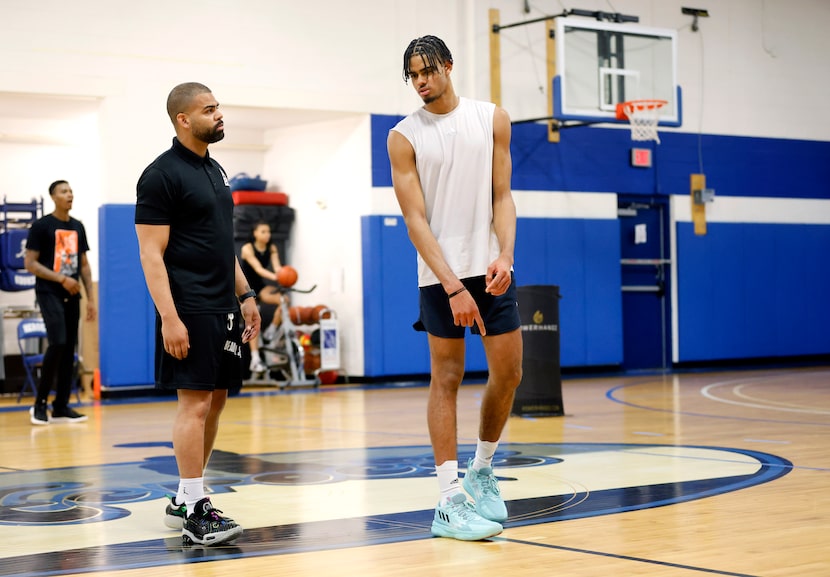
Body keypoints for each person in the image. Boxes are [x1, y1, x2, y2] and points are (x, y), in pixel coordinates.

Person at [387, 36, 523, 541]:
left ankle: (482, 470)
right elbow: (415, 220)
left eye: (427, 71)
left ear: (447, 66)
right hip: (440, 273)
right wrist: (451, 287)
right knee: (447, 376)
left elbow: (503, 196)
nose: (421, 81)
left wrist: (505, 254)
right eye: (412, 75)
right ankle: (447, 500)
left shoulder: (492, 118)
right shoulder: (403, 136)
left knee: (509, 374)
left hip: (491, 266)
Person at [135, 82, 260, 547]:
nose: (219, 115)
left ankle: (186, 497)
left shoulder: (216, 170)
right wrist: (169, 317)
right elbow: (151, 254)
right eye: (210, 110)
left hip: (223, 306)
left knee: (218, 401)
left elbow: (220, 243)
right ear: (183, 119)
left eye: (218, 107)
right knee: (196, 404)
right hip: (187, 307)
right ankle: (194, 507)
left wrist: (246, 295)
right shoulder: (160, 175)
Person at [24, 180, 96, 425]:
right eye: (64, 191)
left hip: (73, 294)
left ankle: (62, 406)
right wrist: (61, 279)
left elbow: (84, 265)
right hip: (49, 292)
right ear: (53, 197)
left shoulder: (77, 227)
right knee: (58, 342)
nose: (70, 194)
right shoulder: (42, 226)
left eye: (71, 191)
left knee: (69, 349)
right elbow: (30, 263)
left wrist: (91, 300)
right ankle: (39, 404)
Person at [239, 220, 285, 374]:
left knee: (284, 301)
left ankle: (271, 331)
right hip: (244, 286)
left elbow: (278, 268)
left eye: (269, 232)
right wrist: (277, 277)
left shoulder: (271, 247)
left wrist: (283, 275)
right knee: (251, 319)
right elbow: (258, 269)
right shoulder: (247, 248)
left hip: (259, 285)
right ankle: (255, 359)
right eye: (263, 231)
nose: (267, 235)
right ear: (255, 233)